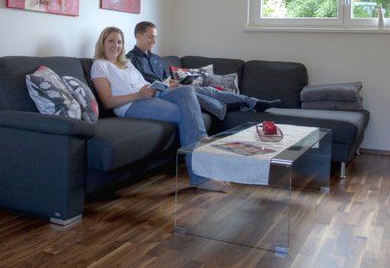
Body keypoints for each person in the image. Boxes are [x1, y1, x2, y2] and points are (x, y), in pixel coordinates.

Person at [90, 27, 227, 192]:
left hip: (151, 94)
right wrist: (138, 95)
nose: (116, 45)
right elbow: (107, 102)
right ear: (102, 43)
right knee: (186, 115)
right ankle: (201, 174)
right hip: (132, 104)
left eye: (119, 41)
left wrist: (161, 86)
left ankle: (200, 140)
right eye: (111, 41)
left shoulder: (126, 62)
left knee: (186, 90)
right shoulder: (100, 65)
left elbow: (142, 84)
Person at [125, 21, 277, 119]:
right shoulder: (130, 60)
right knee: (192, 93)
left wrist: (174, 82)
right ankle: (237, 105)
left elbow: (165, 78)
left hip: (170, 89)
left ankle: (252, 102)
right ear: (138, 36)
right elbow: (139, 85)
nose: (154, 41)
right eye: (150, 37)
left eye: (155, 37)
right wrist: (167, 85)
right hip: (158, 95)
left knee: (209, 90)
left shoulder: (155, 58)